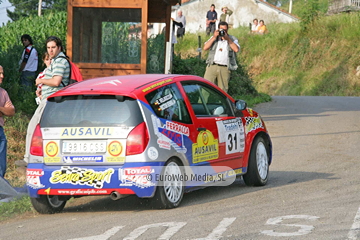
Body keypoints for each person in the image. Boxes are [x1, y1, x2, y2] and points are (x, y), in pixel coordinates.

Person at [23, 36, 70, 163]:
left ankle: (29, 158)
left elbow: (56, 81)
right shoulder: (55, 61)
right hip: (49, 98)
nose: (50, 50)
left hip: (52, 101)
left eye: (53, 47)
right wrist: (41, 89)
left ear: (59, 47)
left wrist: (40, 81)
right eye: (48, 48)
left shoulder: (60, 61)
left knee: (33, 128)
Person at [203, 21, 240, 93]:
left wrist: (227, 39)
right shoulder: (214, 38)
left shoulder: (232, 39)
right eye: (221, 30)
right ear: (218, 29)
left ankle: (221, 104)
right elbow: (205, 47)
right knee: (206, 88)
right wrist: (214, 37)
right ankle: (203, 104)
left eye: (225, 30)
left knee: (223, 90)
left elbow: (236, 49)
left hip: (225, 68)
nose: (223, 32)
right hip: (212, 65)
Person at [0, 65, 15, 178]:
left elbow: (11, 111)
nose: (2, 76)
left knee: (1, 166)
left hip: (0, 131)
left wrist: (1, 109)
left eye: (2, 73)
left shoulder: (3, 92)